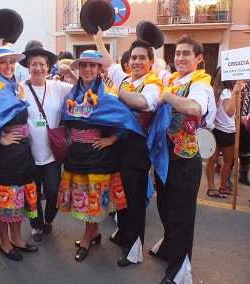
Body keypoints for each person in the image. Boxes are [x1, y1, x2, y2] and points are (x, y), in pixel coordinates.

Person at [57, 50, 145, 262]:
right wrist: (70, 134)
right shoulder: (73, 93)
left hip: (97, 156)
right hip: (76, 155)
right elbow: (66, 118)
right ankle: (94, 232)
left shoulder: (106, 95)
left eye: (92, 66)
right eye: (84, 65)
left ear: (99, 70)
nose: (87, 69)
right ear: (79, 69)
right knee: (85, 199)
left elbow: (125, 119)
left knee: (91, 201)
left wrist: (111, 140)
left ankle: (87, 240)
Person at [94, 29, 163, 267]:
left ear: (151, 62)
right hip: (117, 146)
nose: (136, 62)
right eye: (133, 58)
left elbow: (143, 103)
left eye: (142, 58)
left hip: (136, 148)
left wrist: (116, 95)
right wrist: (97, 37)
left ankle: (134, 249)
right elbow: (108, 61)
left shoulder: (152, 83)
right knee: (119, 194)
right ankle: (122, 233)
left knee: (133, 200)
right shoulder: (124, 78)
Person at [149, 35, 213, 284]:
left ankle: (179, 273)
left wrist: (166, 96)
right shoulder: (172, 80)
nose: (180, 58)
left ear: (198, 59)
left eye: (186, 53)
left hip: (185, 160)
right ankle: (169, 250)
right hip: (165, 159)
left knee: (181, 217)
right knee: (165, 210)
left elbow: (195, 108)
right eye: (176, 53)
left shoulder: (201, 83)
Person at [0, 45, 39, 261]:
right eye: (3, 62)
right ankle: (4, 243)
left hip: (22, 149)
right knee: (5, 198)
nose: (8, 66)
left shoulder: (14, 87)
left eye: (12, 62)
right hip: (4, 155)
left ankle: (16, 239)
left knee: (19, 197)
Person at [19, 46, 76, 244]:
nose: (38, 68)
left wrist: (71, 73)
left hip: (52, 153)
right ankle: (36, 225)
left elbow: (81, 89)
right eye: (33, 64)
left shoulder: (58, 87)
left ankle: (48, 218)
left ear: (48, 67)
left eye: (42, 64)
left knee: (52, 192)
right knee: (32, 193)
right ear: (28, 66)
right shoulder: (20, 88)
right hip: (28, 153)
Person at [205, 69, 244, 197]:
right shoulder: (227, 92)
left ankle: (211, 188)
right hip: (227, 131)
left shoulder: (215, 90)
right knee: (227, 161)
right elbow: (230, 112)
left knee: (212, 160)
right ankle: (223, 187)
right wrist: (234, 94)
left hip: (215, 129)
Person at [239, 80, 250, 186]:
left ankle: (244, 176)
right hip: (238, 122)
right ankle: (227, 176)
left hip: (247, 121)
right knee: (234, 150)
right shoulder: (242, 86)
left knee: (247, 152)